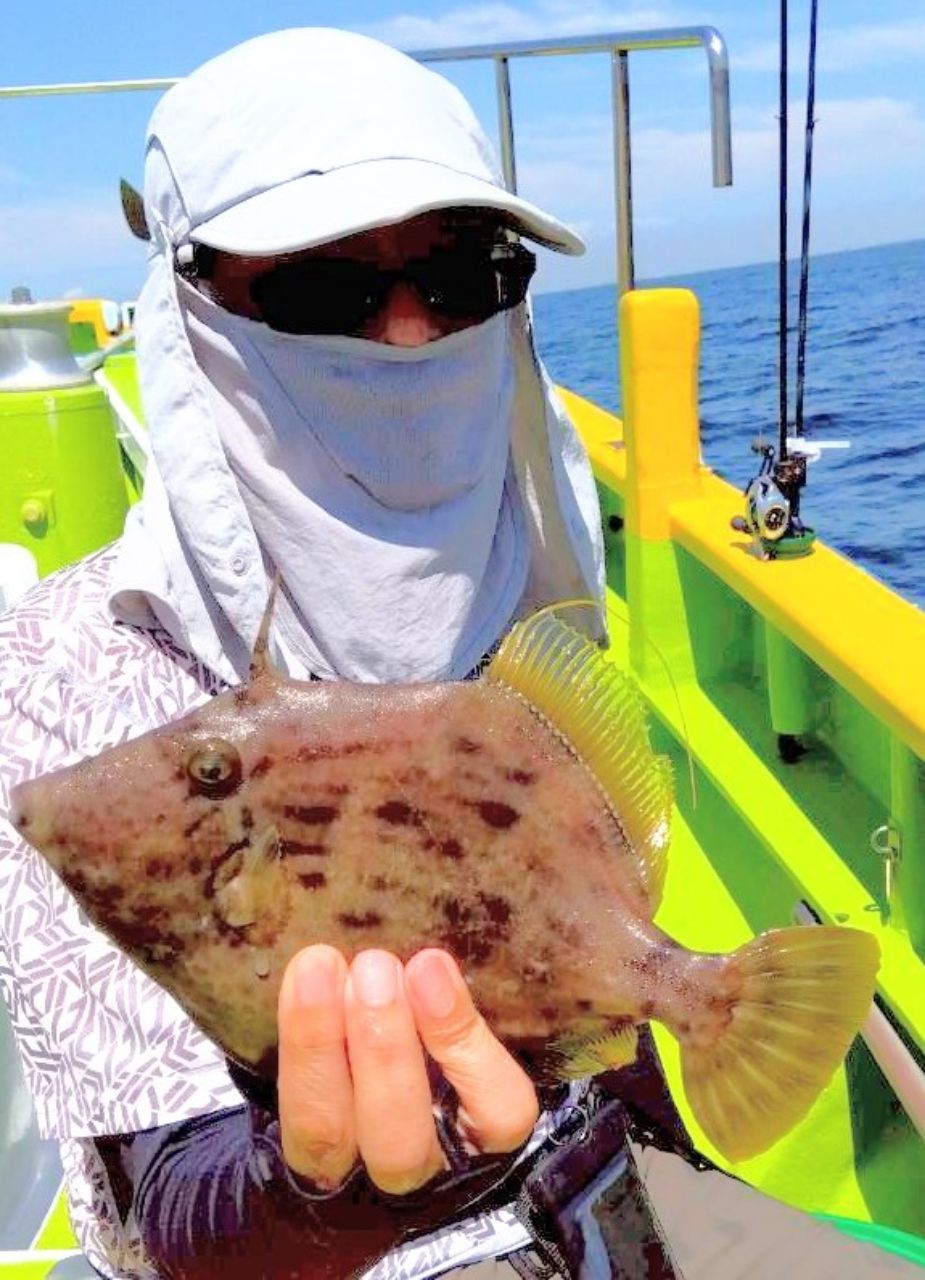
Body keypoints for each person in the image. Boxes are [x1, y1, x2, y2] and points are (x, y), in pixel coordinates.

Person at [0, 24, 611, 1280]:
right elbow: (173, 1200)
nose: (404, 336)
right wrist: (320, 1182)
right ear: (187, 309)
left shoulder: (531, 558)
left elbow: (588, 943)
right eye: (322, 289)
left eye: (462, 276)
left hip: (599, 1199)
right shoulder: (55, 669)